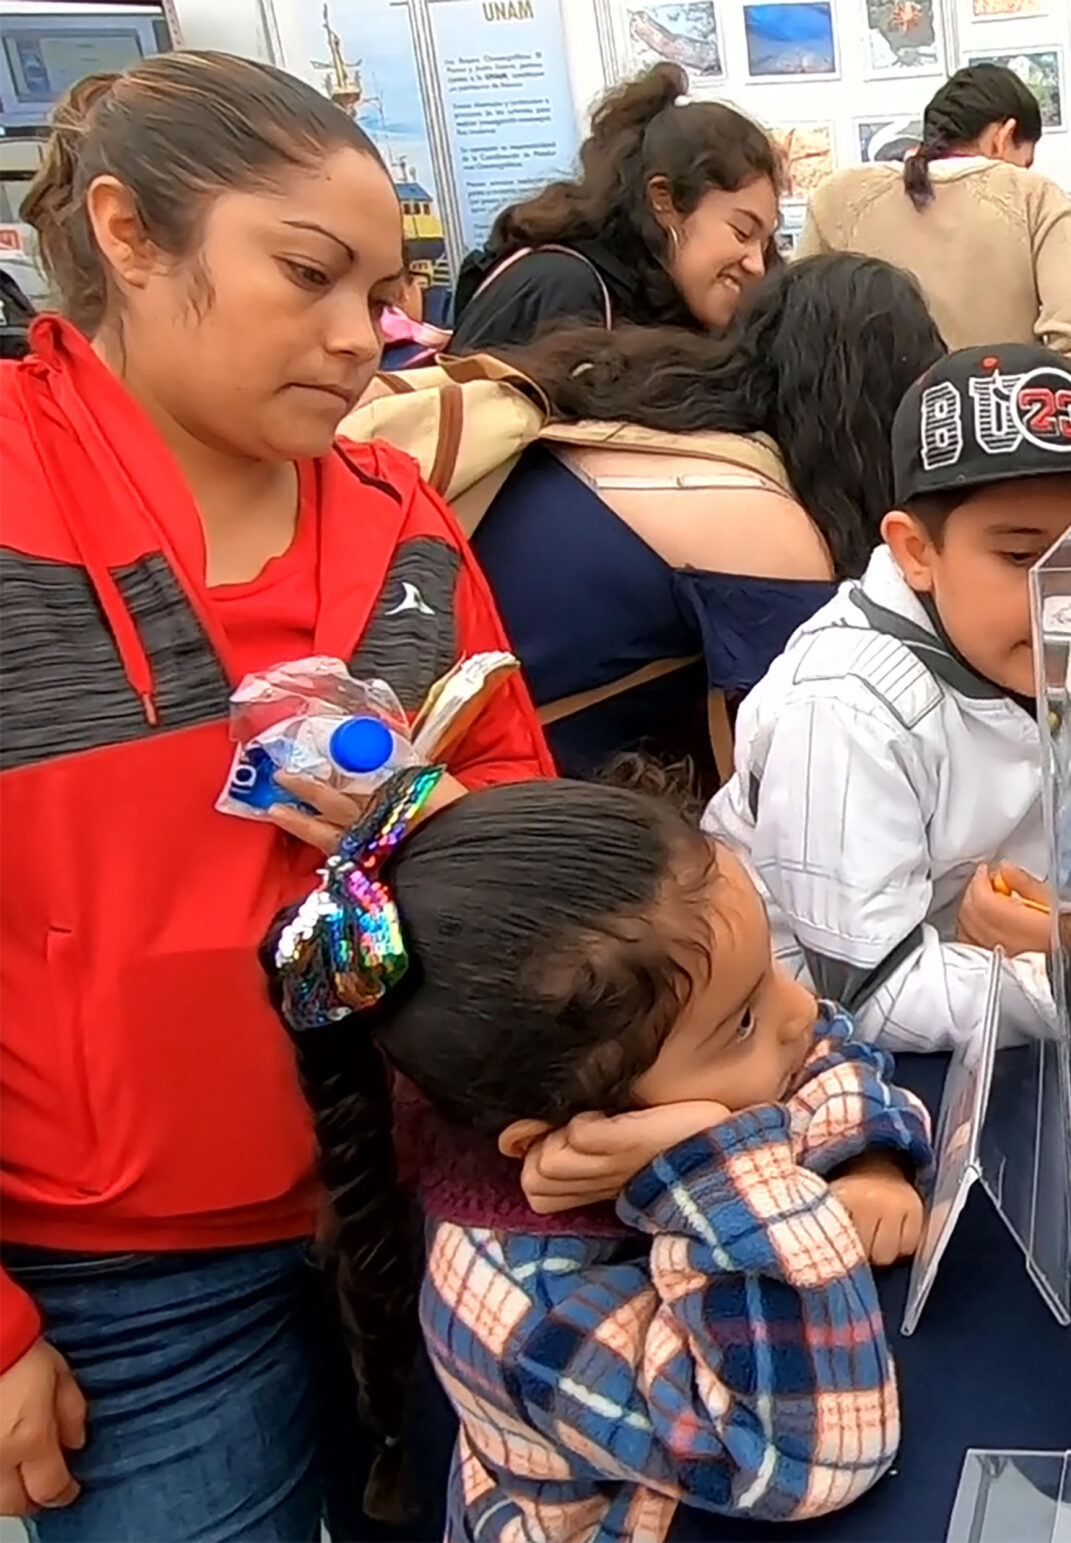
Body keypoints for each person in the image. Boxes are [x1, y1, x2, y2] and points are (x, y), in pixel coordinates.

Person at [0, 53, 552, 1539]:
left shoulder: (400, 517)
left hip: (435, 1208)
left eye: (379, 292)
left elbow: (521, 821)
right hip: (124, 1287)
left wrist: (434, 835)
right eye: (308, 275)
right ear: (128, 231)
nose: (360, 338)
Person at [266, 769, 931, 1543]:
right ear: (571, 1127)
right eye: (743, 1021)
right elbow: (814, 1455)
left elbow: (825, 1051)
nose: (801, 1010)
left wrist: (866, 1160)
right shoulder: (517, 1304)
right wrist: (709, 1170)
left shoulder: (684, 1048)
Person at [703, 343, 1071, 1053]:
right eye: (1019, 556)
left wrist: (1069, 930)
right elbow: (863, 992)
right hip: (812, 1053)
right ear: (916, 551)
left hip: (991, 989)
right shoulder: (842, 708)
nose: (1066, 597)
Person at [464, 253, 946, 784]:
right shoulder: (763, 521)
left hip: (438, 727)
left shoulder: (647, 418)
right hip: (503, 784)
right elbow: (802, 760)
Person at [445, 64, 780, 355]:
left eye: (764, 245)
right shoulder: (562, 291)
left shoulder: (654, 305)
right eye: (742, 232)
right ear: (664, 200)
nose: (756, 265)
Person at [799, 64, 1071, 373]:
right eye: (1023, 161)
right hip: (996, 414)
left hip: (871, 419)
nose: (1022, 172)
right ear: (1003, 135)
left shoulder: (838, 196)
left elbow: (791, 333)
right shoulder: (1034, 196)